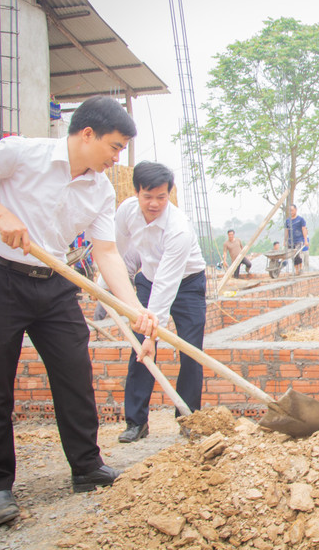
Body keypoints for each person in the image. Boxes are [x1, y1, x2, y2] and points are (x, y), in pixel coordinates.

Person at [0, 96, 157, 525]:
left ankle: (86, 466)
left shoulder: (101, 189)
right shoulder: (22, 153)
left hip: (55, 286)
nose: (116, 157)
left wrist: (134, 308)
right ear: (87, 134)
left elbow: (105, 253)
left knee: (75, 374)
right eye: (115, 147)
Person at [115, 162, 208, 443]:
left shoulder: (178, 228)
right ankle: (136, 422)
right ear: (136, 191)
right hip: (147, 280)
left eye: (161, 197)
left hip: (187, 285)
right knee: (139, 351)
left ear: (170, 194)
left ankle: (189, 418)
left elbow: (167, 284)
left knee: (190, 351)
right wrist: (109, 286)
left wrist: (151, 333)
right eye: (147, 196)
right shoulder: (126, 212)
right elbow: (120, 253)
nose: (154, 204)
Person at [284, 204, 309, 275]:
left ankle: (301, 268)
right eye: (289, 211)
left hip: (299, 240)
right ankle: (296, 270)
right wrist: (285, 241)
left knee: (298, 254)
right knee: (293, 256)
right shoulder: (287, 221)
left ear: (296, 210)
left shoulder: (300, 220)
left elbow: (304, 230)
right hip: (290, 241)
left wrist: (305, 240)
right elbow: (286, 231)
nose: (291, 212)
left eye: (292, 210)